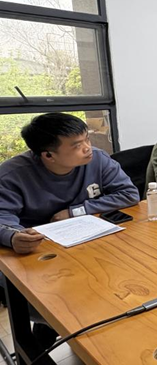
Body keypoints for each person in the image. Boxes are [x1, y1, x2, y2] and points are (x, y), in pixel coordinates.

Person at [0, 112, 140, 347]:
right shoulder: (12, 174)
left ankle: (96, 340)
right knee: (57, 307)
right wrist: (13, 235)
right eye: (77, 145)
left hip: (86, 245)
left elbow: (128, 194)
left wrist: (76, 211)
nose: (88, 148)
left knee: (119, 285)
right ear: (48, 155)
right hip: (38, 256)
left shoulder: (98, 160)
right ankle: (45, 338)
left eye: (87, 139)